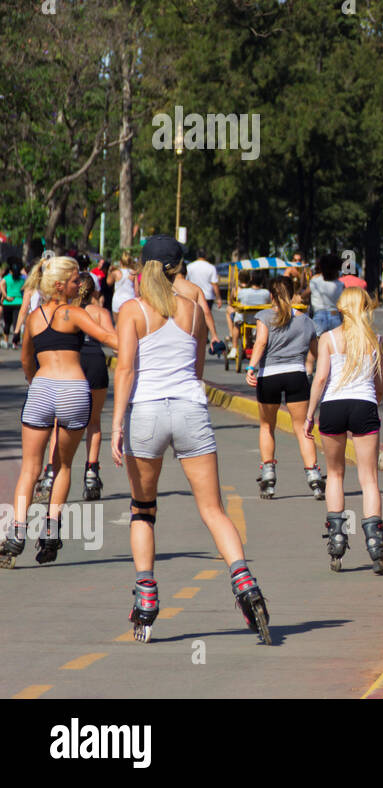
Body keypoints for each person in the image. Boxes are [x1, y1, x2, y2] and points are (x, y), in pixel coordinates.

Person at [109, 235, 270, 641]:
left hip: (146, 413)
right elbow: (196, 368)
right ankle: (245, 583)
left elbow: (125, 371)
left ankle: (146, 596)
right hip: (189, 409)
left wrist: (116, 425)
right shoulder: (194, 310)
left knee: (143, 509)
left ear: (143, 269)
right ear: (178, 268)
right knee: (213, 509)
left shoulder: (132, 310)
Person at [1, 257, 119, 568]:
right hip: (74, 391)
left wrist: (34, 380)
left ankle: (16, 532)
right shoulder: (74, 313)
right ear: (58, 285)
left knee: (30, 468)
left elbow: (27, 359)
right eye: (73, 281)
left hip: (41, 390)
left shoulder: (34, 319)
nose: (79, 284)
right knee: (63, 465)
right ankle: (51, 531)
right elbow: (111, 340)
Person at [302, 287, 383, 574]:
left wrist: (309, 415)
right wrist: (370, 404)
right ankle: (376, 543)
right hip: (363, 406)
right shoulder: (377, 341)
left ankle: (337, 538)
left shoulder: (328, 339)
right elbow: (379, 387)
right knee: (368, 478)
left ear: (340, 309)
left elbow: (320, 379)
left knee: (336, 473)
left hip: (332, 407)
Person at [245, 276, 323, 500]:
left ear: (271, 295)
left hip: (269, 375)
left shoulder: (264, 316)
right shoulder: (306, 321)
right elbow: (316, 352)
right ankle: (313, 475)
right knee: (302, 428)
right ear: (292, 293)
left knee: (267, 426)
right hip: (296, 375)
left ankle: (268, 474)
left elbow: (260, 343)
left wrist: (251, 368)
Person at [74, 272, 111, 501]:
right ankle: (91, 472)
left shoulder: (65, 311)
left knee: (61, 421)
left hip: (71, 364)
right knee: (94, 422)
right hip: (96, 361)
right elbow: (113, 339)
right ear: (94, 290)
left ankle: (51, 473)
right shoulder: (99, 313)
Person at [225, 270, 272, 359]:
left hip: (245, 318)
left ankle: (234, 348)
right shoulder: (266, 293)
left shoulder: (244, 292)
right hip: (259, 319)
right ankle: (250, 344)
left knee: (237, 323)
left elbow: (235, 301)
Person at [309, 253, 345, 337]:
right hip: (335, 315)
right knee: (337, 341)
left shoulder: (314, 282)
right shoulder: (340, 285)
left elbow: (304, 296)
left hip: (319, 316)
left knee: (317, 341)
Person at [108, 251, 137, 319]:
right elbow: (137, 290)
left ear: (120, 261)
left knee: (117, 326)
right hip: (130, 300)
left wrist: (110, 271)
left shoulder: (116, 272)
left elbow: (109, 283)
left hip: (117, 300)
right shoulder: (133, 272)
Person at [2, 260, 23, 349]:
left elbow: (1, 285)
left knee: (7, 323)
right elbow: (25, 288)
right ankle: (15, 343)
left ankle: (6, 341)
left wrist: (5, 296)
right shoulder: (23, 279)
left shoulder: (6, 278)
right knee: (16, 323)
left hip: (7, 303)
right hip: (19, 302)